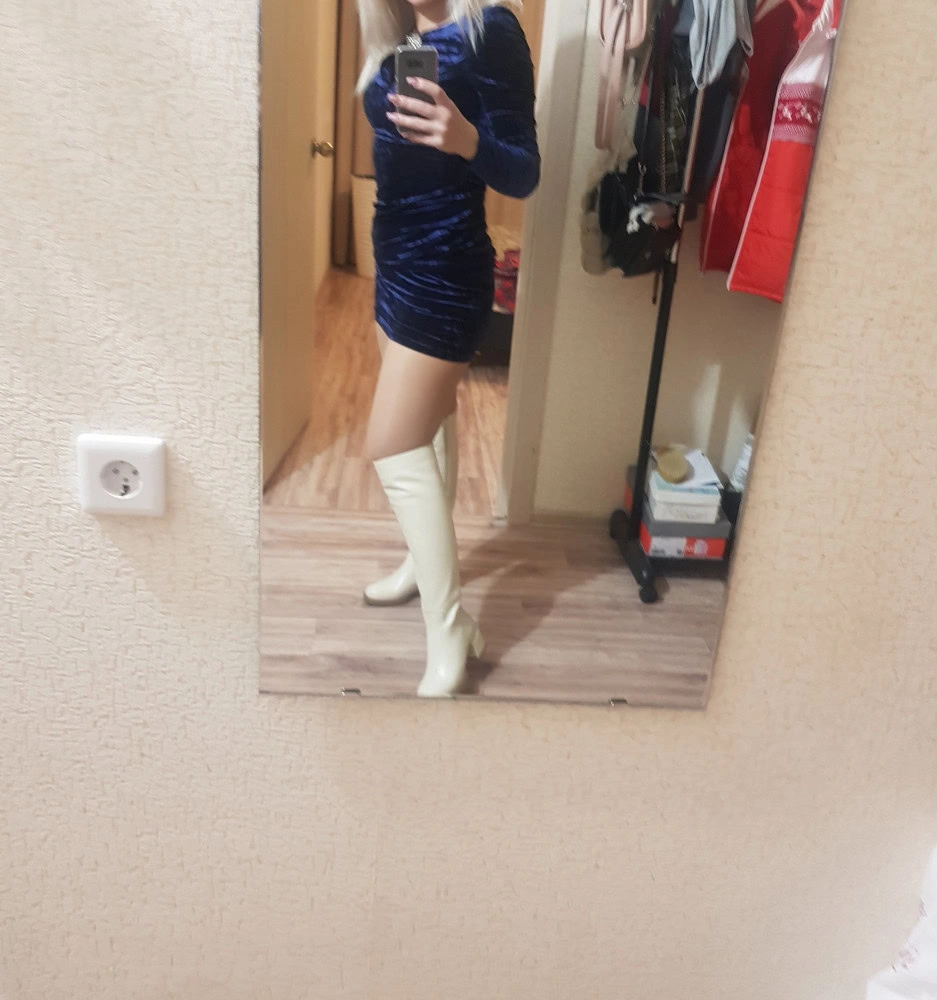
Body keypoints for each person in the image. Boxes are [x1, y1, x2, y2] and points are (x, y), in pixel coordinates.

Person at [357, 0, 540, 697]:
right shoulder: (401, 39)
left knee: (393, 445)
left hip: (446, 270)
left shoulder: (491, 29)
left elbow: (523, 172)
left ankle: (451, 628)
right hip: (394, 263)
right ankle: (418, 564)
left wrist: (466, 139)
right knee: (428, 428)